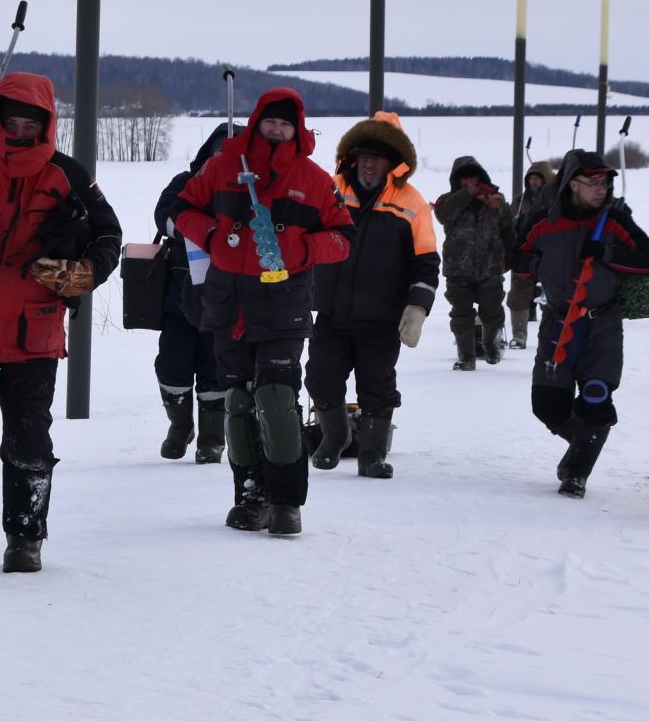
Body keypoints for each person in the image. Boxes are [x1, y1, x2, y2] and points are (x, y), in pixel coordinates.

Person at [0, 71, 122, 580]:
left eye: (29, 119)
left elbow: (109, 234)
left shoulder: (68, 174)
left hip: (34, 336)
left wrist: (84, 274)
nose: (18, 127)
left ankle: (25, 539)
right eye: (10, 118)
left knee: (29, 443)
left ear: (46, 122)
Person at [174, 88, 352, 534]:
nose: (277, 130)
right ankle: (249, 494)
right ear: (256, 122)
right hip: (228, 302)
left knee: (276, 400)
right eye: (271, 122)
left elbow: (343, 237)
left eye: (285, 124)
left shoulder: (312, 178)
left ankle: (286, 501)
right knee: (238, 401)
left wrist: (302, 246)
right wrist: (212, 234)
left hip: (284, 304)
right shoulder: (222, 167)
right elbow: (182, 208)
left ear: (297, 129)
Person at [512, 151, 649, 498]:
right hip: (557, 323)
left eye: (606, 182)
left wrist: (607, 254)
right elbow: (518, 257)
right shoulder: (543, 222)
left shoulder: (616, 221)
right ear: (572, 184)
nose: (601, 189)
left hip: (601, 324)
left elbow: (647, 261)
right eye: (593, 183)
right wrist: (539, 267)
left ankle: (576, 472)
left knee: (596, 398)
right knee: (547, 405)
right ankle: (584, 444)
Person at [307, 113, 439, 478]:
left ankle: (372, 454)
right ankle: (334, 438)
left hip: (381, 319)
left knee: (377, 386)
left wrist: (417, 308)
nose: (369, 163)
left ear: (393, 164)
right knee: (320, 377)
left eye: (378, 157)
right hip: (331, 313)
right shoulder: (331, 189)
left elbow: (426, 263)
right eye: (364, 155)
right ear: (353, 157)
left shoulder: (412, 203)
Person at [151, 124, 231, 463]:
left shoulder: (246, 190)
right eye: (217, 152)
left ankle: (212, 439)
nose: (220, 160)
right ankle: (180, 426)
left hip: (223, 295)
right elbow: (163, 217)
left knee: (215, 367)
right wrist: (196, 225)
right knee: (172, 365)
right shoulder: (185, 183)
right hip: (178, 295)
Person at [432, 154, 514, 371]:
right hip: (458, 270)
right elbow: (442, 214)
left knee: (492, 312)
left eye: (474, 182)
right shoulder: (448, 201)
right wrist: (465, 195)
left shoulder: (496, 200)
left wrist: (512, 257)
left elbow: (508, 230)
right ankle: (466, 357)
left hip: (490, 269)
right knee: (461, 314)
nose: (470, 186)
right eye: (465, 182)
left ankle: (490, 344)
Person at [507, 160, 556, 350]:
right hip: (526, 253)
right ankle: (519, 336)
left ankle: (550, 336)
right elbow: (510, 225)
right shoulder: (520, 202)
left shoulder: (556, 200)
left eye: (538, 179)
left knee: (552, 296)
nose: (533, 183)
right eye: (531, 179)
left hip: (550, 254)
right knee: (519, 294)